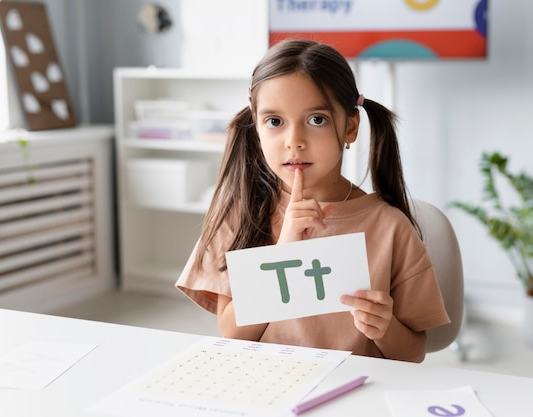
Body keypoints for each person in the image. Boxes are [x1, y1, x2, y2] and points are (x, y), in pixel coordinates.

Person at [176, 38, 449, 363]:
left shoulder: (390, 227)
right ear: (256, 124)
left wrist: (385, 327)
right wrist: (284, 254)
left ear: (350, 127)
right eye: (274, 122)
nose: (294, 142)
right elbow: (232, 334)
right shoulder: (241, 214)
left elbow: (414, 353)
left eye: (316, 120)